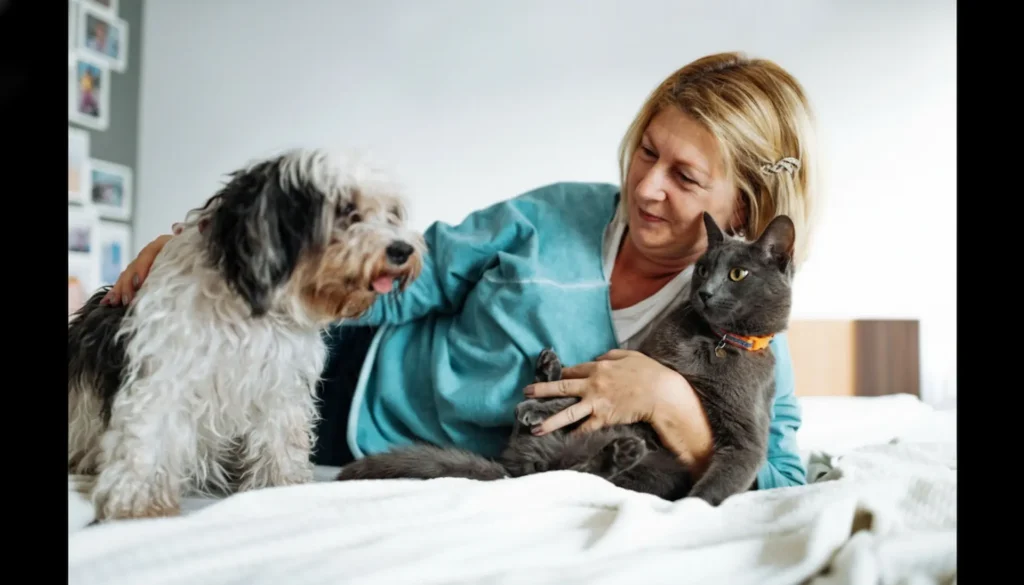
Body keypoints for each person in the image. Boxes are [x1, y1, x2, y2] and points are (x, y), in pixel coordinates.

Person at [104, 51, 818, 491]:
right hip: (336, 377)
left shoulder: (750, 339)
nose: (646, 187)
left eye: (685, 176)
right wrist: (208, 251)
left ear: (746, 208)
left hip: (399, 458)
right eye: (647, 150)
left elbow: (779, 479)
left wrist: (666, 399)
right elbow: (398, 280)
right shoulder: (549, 216)